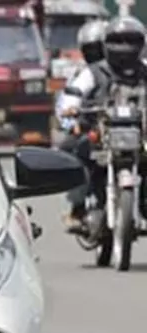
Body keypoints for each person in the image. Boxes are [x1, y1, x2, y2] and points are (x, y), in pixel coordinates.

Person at [56, 17, 144, 236]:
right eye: (118, 41)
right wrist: (71, 119)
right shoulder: (93, 72)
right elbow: (70, 98)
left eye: (130, 41)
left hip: (140, 134)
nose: (124, 47)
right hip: (101, 134)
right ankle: (78, 208)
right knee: (79, 153)